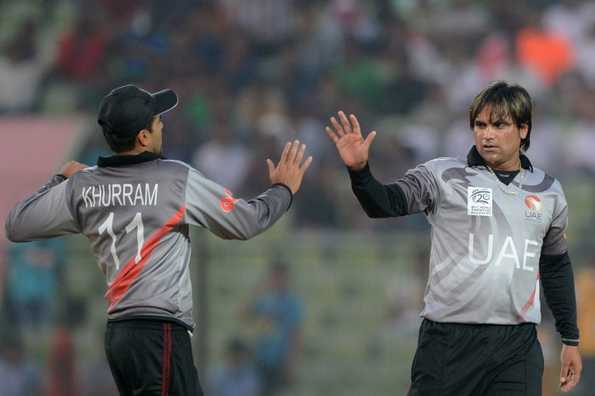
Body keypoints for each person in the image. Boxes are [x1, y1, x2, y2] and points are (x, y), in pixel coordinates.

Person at [5, 84, 312, 396]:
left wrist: (60, 178)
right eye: (156, 121)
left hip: (119, 335)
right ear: (143, 137)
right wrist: (282, 191)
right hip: (159, 331)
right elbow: (245, 222)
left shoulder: (84, 185)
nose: (162, 124)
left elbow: (16, 225)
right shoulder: (173, 178)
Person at [324, 81, 581, 395]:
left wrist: (570, 339)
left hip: (517, 345)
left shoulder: (548, 191)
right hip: (448, 342)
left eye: (499, 125)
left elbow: (555, 267)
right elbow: (384, 204)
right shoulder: (442, 176)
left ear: (523, 129)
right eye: (480, 124)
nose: (486, 134)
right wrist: (360, 172)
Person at [241, 261, 302, 396]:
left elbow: (295, 335)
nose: (277, 281)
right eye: (274, 277)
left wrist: (290, 363)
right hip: (259, 358)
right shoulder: (264, 300)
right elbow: (243, 314)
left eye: (281, 277)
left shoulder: (292, 303)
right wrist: (257, 290)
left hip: (278, 360)